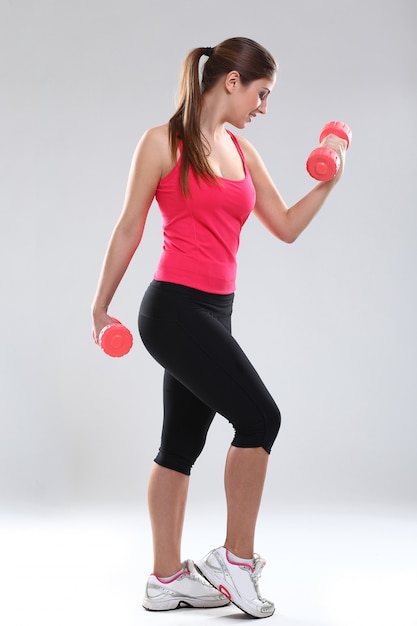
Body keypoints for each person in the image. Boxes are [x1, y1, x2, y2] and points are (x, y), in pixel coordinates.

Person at [91, 37, 347, 619]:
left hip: (215, 311)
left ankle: (166, 580)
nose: (263, 107)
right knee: (261, 418)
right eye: (262, 93)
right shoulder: (162, 143)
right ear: (232, 81)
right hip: (173, 309)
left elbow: (283, 225)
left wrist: (329, 180)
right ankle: (236, 561)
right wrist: (100, 308)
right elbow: (129, 227)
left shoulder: (241, 151)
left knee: (180, 444)